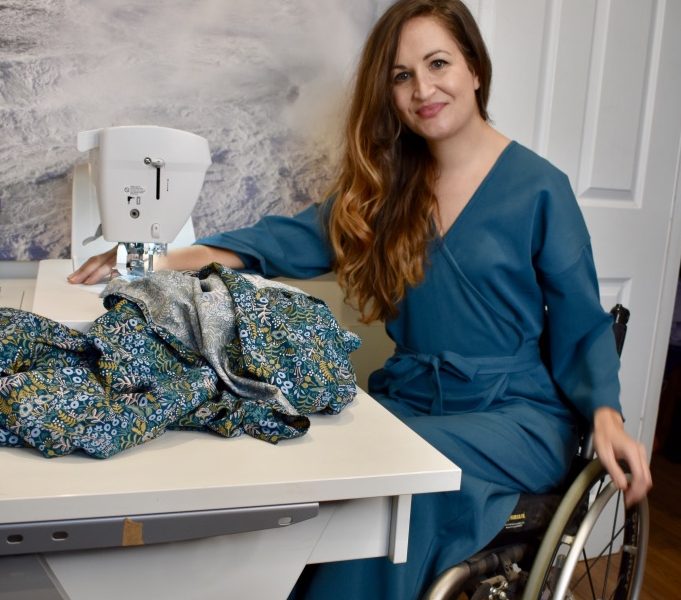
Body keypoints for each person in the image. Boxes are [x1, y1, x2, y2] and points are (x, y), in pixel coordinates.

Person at [69, 0, 652, 597]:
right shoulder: (388, 190)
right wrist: (152, 258)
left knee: (398, 482)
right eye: (402, 76)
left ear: (475, 69)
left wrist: (605, 412)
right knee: (307, 460)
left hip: (515, 414)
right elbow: (284, 240)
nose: (422, 88)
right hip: (412, 399)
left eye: (438, 63)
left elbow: (582, 323)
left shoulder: (539, 188)